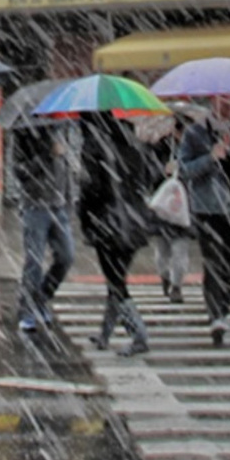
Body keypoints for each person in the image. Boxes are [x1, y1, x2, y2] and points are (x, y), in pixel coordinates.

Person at [177, 95, 230, 346]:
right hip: (208, 209)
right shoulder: (196, 133)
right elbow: (184, 170)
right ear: (213, 101)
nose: (229, 104)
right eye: (223, 98)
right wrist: (211, 158)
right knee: (214, 262)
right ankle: (216, 315)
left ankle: (224, 307)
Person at [78, 115, 153, 357]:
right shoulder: (134, 145)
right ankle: (105, 333)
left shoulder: (94, 145)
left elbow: (92, 189)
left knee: (115, 281)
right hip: (134, 221)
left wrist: (84, 215)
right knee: (116, 277)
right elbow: (147, 179)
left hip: (108, 222)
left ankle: (138, 333)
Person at [8, 115, 74, 334]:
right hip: (35, 205)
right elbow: (19, 171)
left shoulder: (61, 129)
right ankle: (27, 310)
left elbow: (66, 167)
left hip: (59, 205)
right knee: (34, 261)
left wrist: (69, 199)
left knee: (66, 257)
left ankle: (41, 298)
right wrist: (46, 154)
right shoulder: (24, 134)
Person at [142, 112, 193, 303]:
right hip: (164, 204)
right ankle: (165, 277)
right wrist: (163, 171)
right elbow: (149, 172)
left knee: (180, 248)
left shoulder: (194, 148)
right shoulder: (161, 147)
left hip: (184, 205)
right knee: (162, 248)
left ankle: (176, 285)